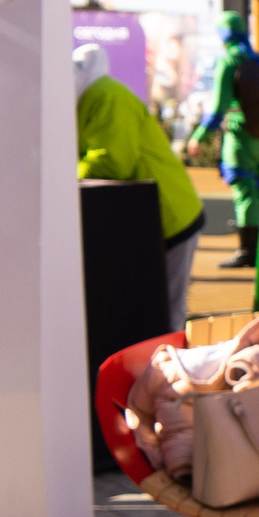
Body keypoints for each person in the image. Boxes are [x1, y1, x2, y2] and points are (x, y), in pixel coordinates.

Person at [74, 45, 202, 330]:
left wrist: (63, 176)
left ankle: (170, 370)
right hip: (159, 216)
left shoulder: (104, 97)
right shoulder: (97, 96)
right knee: (158, 308)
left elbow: (111, 162)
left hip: (169, 216)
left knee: (166, 311)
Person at [190, 14, 259, 269]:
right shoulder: (258, 60)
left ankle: (247, 251)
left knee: (244, 194)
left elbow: (219, 106)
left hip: (240, 137)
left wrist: (199, 136)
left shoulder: (229, 61)